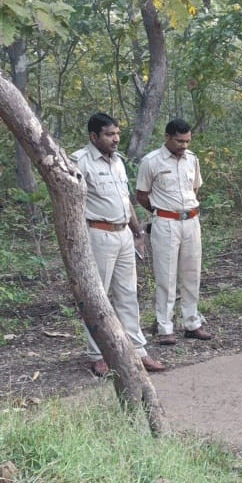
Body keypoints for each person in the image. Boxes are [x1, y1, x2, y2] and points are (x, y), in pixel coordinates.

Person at [71, 112, 164, 376]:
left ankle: (137, 351)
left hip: (123, 234)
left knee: (128, 294)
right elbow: (70, 201)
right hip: (98, 234)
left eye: (117, 133)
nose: (115, 139)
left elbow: (125, 200)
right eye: (109, 134)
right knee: (97, 296)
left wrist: (137, 232)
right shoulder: (79, 161)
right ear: (94, 136)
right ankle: (98, 354)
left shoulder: (118, 161)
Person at [137, 118, 213, 345]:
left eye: (187, 141)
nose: (184, 146)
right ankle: (165, 327)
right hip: (165, 222)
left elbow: (195, 188)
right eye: (180, 141)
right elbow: (142, 195)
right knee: (166, 276)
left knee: (192, 273)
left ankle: (192, 322)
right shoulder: (151, 161)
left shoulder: (192, 159)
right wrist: (161, 211)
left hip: (191, 220)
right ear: (167, 138)